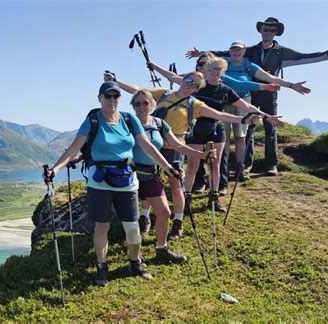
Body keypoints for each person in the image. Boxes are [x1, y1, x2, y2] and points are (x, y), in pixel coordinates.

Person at [43, 80, 182, 287]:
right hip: (100, 181)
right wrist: (55, 169)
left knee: (133, 227)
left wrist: (168, 167)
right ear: (99, 99)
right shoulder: (93, 120)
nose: (111, 100)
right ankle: (102, 267)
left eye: (115, 96)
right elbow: (74, 148)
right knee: (102, 226)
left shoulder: (129, 119)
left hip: (126, 180)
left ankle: (135, 263)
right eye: (107, 96)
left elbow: (148, 147)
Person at [104, 71, 261, 239]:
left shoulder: (195, 104)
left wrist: (243, 120)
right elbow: (138, 89)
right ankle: (145, 217)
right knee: (147, 179)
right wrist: (116, 81)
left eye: (194, 84)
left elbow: (219, 115)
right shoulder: (164, 93)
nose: (189, 84)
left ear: (197, 89)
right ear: (183, 80)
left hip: (174, 146)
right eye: (188, 80)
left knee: (175, 183)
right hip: (152, 143)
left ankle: (178, 221)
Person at [186, 17, 328, 176]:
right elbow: (224, 54)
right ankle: (245, 166)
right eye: (265, 29)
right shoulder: (250, 50)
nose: (268, 32)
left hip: (269, 94)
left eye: (272, 30)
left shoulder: (282, 52)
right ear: (261, 31)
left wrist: (327, 55)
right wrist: (201, 54)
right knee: (249, 129)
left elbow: (303, 57)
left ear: (276, 33)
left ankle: (271, 165)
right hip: (250, 95)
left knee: (270, 127)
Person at [149, 58, 284, 207]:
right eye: (212, 68)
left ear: (223, 72)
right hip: (195, 129)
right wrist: (154, 65)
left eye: (218, 69)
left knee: (215, 164)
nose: (215, 72)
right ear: (206, 70)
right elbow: (172, 77)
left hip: (215, 128)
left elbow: (246, 106)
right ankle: (186, 197)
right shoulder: (196, 86)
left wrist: (267, 117)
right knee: (193, 164)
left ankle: (214, 199)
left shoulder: (225, 91)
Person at [130, 89, 215, 262]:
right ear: (132, 106)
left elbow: (178, 146)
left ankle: (161, 250)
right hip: (129, 175)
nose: (141, 107)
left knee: (163, 212)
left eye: (145, 103)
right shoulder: (126, 123)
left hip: (150, 173)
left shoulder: (160, 124)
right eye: (137, 103)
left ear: (152, 104)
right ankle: (134, 258)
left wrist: (202, 155)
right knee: (129, 219)